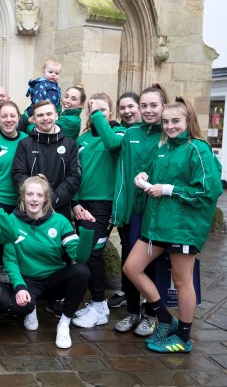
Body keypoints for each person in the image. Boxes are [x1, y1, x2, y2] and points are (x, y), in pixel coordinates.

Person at [123, 97, 222, 353]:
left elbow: (208, 190)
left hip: (183, 227)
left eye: (175, 121)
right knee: (132, 268)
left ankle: (183, 337)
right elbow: (157, 176)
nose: (170, 126)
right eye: (166, 122)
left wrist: (167, 189)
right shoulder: (164, 147)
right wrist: (144, 177)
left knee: (181, 281)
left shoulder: (198, 148)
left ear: (188, 120)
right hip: (156, 224)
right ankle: (166, 319)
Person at [92, 84, 167, 336]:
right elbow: (111, 142)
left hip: (157, 212)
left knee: (153, 265)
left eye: (153, 105)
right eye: (144, 105)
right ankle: (133, 312)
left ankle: (151, 315)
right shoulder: (130, 132)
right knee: (130, 263)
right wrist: (96, 114)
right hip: (131, 213)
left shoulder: (168, 134)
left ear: (163, 106)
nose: (148, 110)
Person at [3, 175, 92, 349]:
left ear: (46, 198)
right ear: (23, 197)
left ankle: (64, 323)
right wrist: (19, 287)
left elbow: (79, 257)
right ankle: (31, 306)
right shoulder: (11, 221)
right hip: (28, 280)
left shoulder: (60, 221)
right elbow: (10, 260)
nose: (34, 199)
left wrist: (87, 230)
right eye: (29, 194)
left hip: (53, 280)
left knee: (82, 271)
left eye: (39, 195)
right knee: (18, 310)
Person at [69, 92, 126, 329]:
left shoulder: (119, 133)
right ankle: (95, 302)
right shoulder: (82, 139)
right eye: (93, 110)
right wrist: (75, 202)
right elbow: (75, 173)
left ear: (110, 112)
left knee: (94, 253)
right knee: (85, 254)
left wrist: (96, 115)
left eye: (102, 110)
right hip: (83, 204)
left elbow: (112, 143)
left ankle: (101, 307)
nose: (97, 114)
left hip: (104, 205)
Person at [11, 99, 81, 220]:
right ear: (34, 119)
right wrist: (35, 198)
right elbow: (18, 174)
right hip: (30, 209)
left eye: (49, 114)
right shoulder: (25, 144)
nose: (45, 118)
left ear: (56, 116)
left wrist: (53, 199)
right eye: (40, 115)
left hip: (59, 210)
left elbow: (74, 176)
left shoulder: (70, 144)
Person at [105, 92, 142, 309]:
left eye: (131, 106)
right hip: (125, 206)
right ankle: (129, 294)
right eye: (123, 108)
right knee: (127, 250)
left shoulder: (154, 134)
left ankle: (148, 300)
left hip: (146, 206)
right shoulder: (123, 132)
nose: (127, 111)